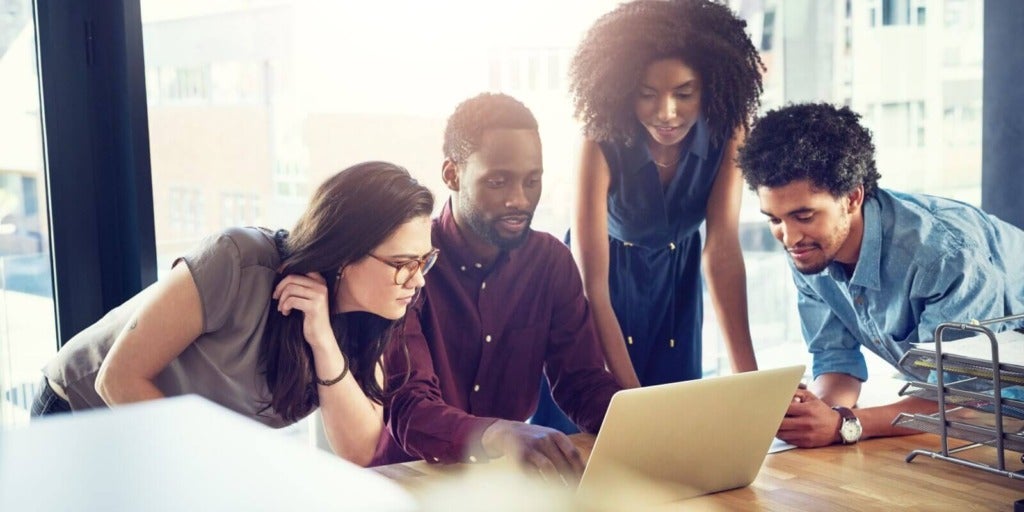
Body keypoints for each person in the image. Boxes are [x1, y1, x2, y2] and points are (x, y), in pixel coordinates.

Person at [32, 161, 436, 466]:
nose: (417, 281)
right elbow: (117, 380)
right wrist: (219, 471)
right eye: (403, 263)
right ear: (346, 255)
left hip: (163, 441)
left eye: (424, 261)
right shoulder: (238, 261)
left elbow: (360, 450)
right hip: (81, 414)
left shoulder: (372, 318)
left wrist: (323, 340)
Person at [532, 0, 763, 432]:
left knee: (676, 437)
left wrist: (750, 384)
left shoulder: (730, 129)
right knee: (588, 440)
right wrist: (633, 401)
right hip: (599, 285)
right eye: (647, 94)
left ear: (709, 87)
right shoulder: (600, 140)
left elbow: (723, 251)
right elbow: (590, 286)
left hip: (676, 284)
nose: (667, 113)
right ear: (623, 89)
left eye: (684, 93)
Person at [737, 103, 1024, 447]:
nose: (789, 236)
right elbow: (837, 362)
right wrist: (810, 411)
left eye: (804, 215)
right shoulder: (810, 249)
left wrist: (844, 424)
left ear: (852, 197)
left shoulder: (945, 257)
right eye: (774, 219)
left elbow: (962, 399)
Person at [372, 93, 621, 482]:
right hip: (413, 479)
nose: (519, 200)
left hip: (501, 484)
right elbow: (410, 408)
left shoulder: (551, 263)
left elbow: (580, 383)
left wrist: (646, 424)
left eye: (532, 181)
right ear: (452, 174)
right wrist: (498, 433)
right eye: (498, 181)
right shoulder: (411, 265)